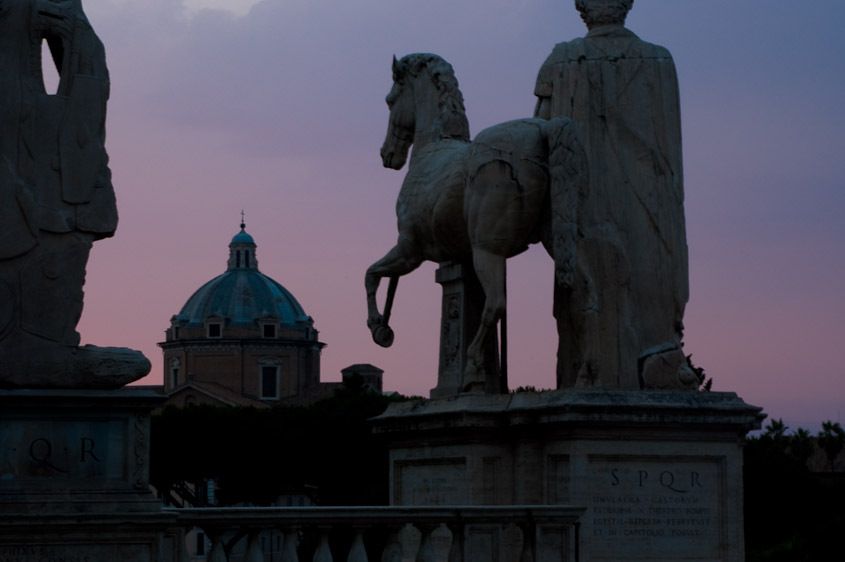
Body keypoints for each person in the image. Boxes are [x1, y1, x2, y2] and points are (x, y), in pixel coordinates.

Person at [534, 0, 691, 389]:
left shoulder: (563, 58)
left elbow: (538, 139)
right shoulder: (659, 60)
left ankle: (614, 365)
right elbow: (672, 159)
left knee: (596, 292)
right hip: (645, 208)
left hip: (594, 206)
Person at [0, 0, 149, 387]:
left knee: (61, 238)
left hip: (45, 143)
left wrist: (72, 35)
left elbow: (81, 51)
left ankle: (44, 345)